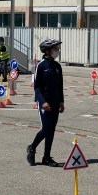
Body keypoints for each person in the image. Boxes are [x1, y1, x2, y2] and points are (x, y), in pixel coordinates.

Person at [27, 39, 65, 167]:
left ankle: (47, 157)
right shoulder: (41, 66)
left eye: (57, 49)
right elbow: (37, 87)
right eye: (55, 49)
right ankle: (32, 148)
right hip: (45, 102)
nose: (57, 51)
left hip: (55, 102)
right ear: (48, 51)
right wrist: (42, 102)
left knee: (52, 129)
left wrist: (61, 101)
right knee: (46, 128)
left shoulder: (57, 66)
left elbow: (60, 86)